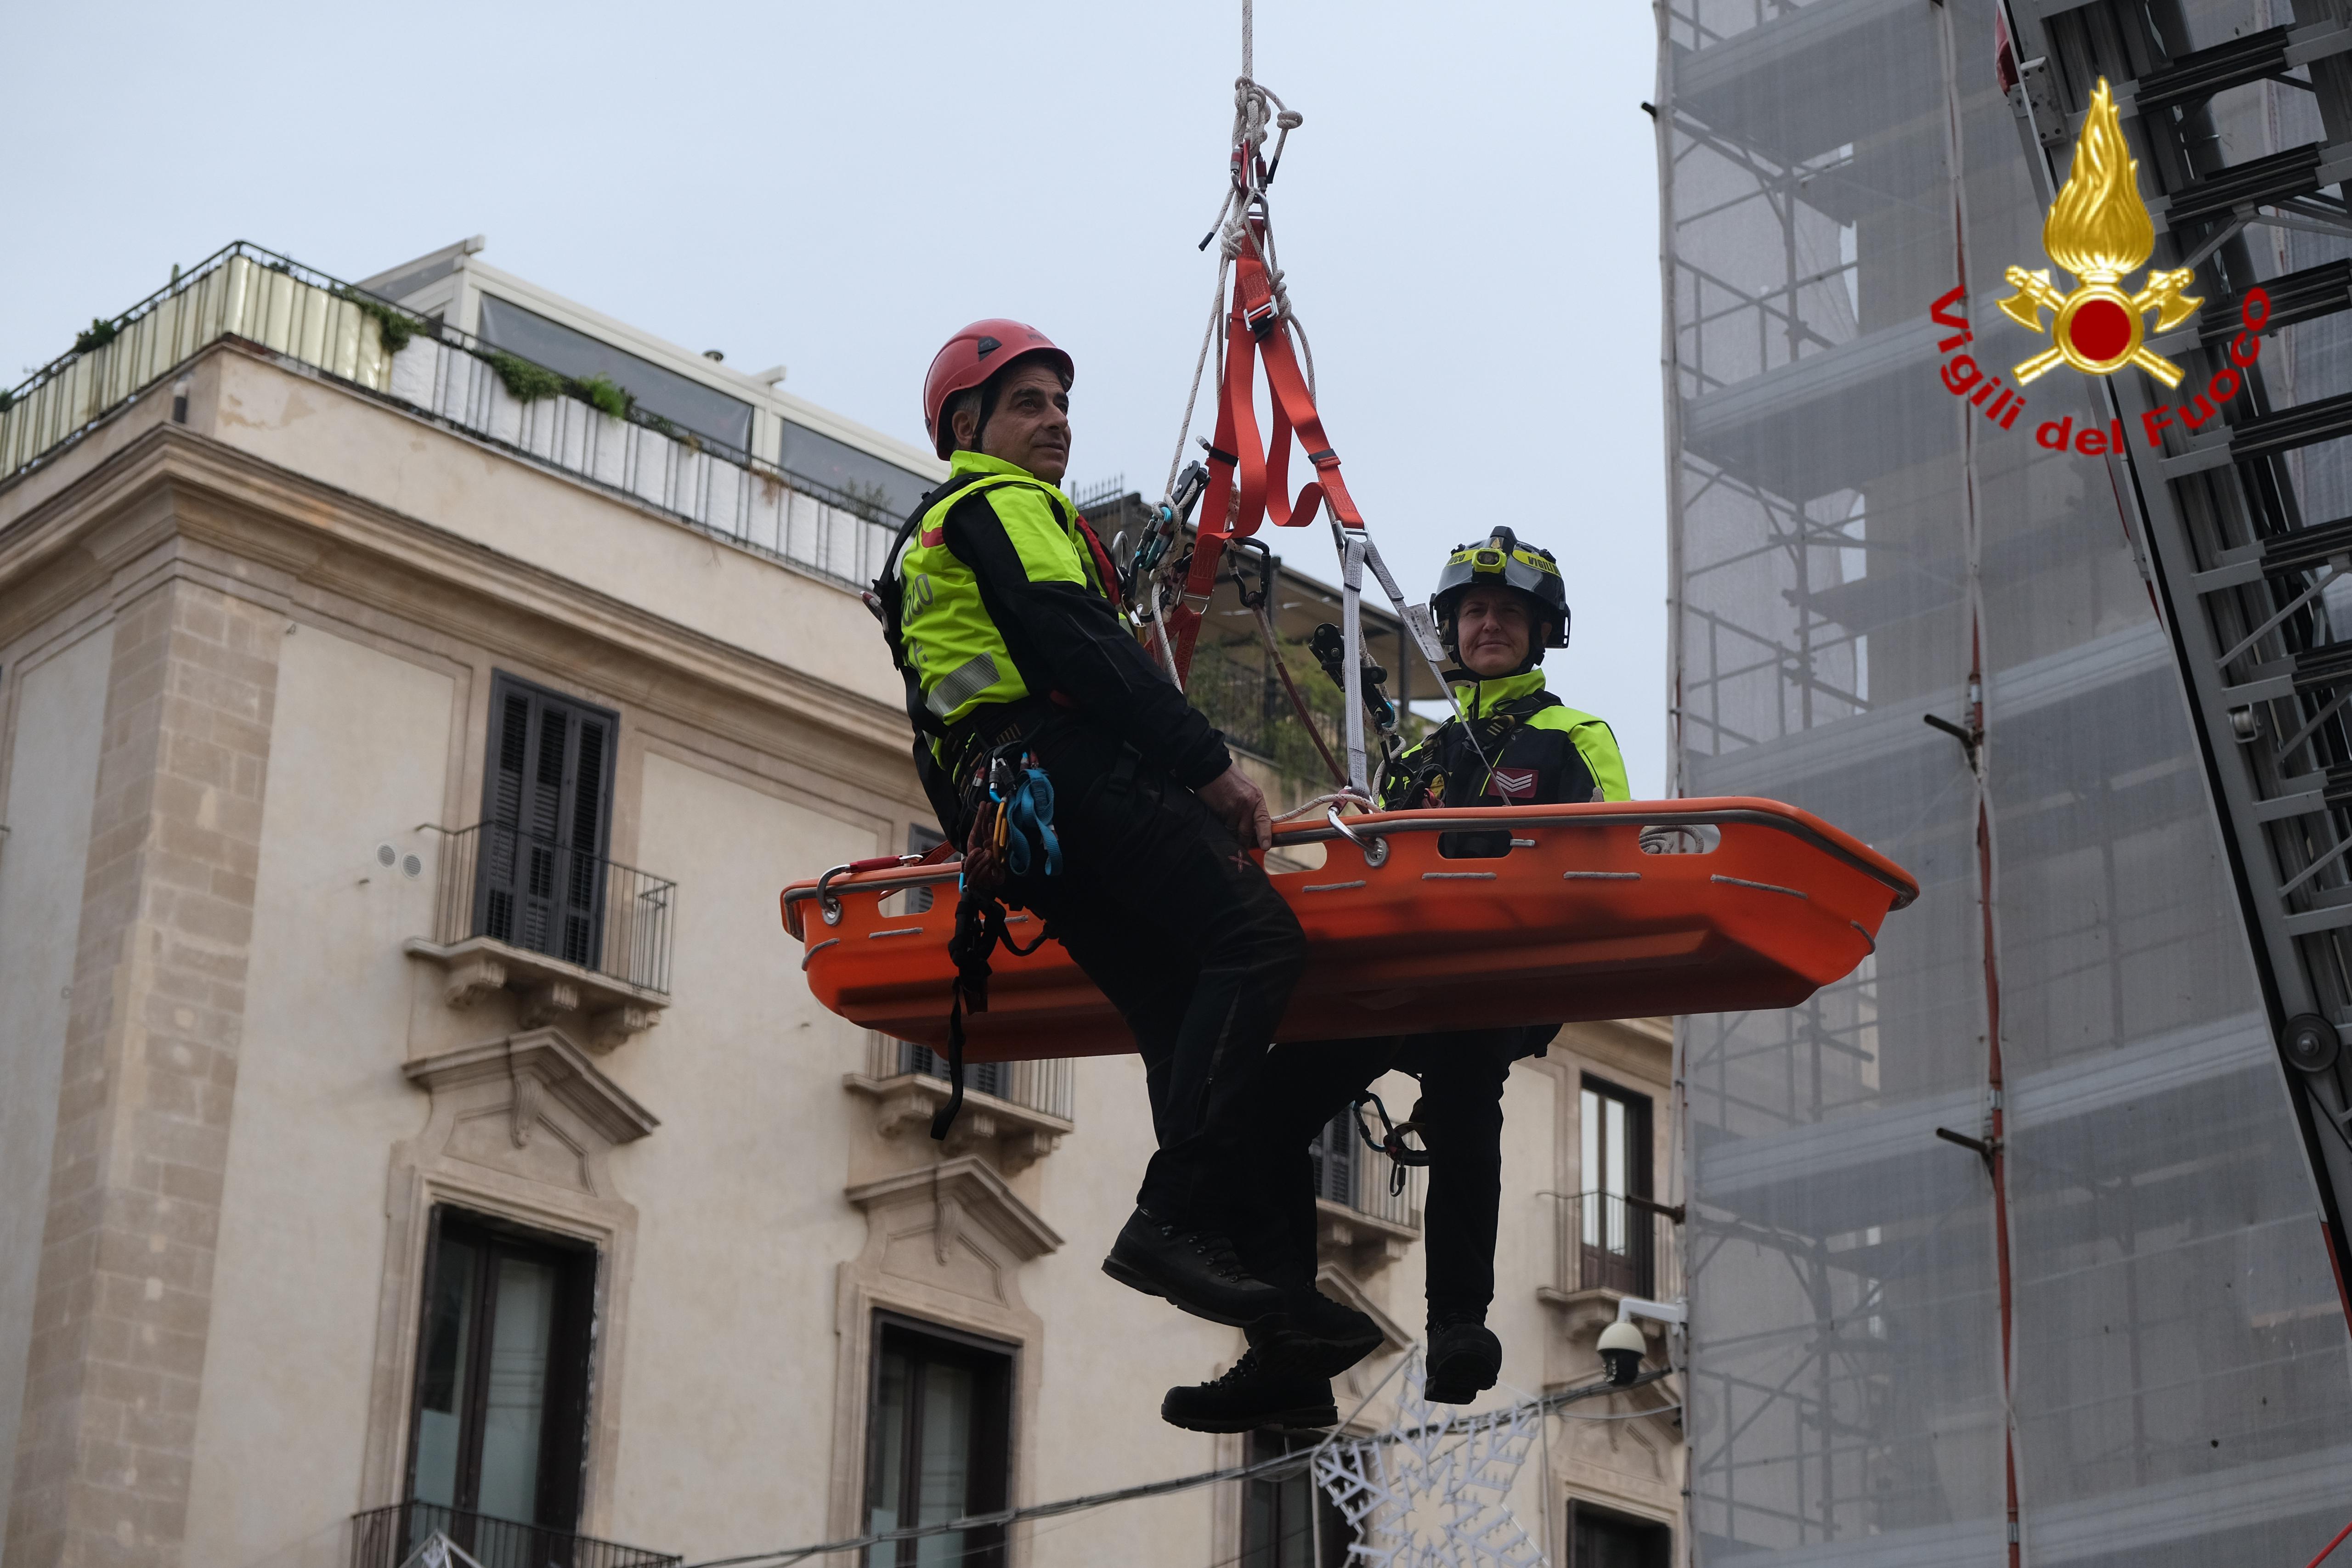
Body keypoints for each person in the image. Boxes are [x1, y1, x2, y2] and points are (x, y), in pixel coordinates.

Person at [878, 320, 1374, 1369]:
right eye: (1029, 404)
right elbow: (1081, 644)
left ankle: (1267, 1310)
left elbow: (935, 720)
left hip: (1019, 810)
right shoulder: (1002, 506)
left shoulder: (929, 541)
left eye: (1061, 404)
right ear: (968, 427)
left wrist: (977, 831)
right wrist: (1207, 765)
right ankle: (1175, 1221)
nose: (1055, 421)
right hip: (1065, 773)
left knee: (1173, 1003)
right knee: (1255, 943)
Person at [1161, 527, 1627, 1431]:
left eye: (1509, 614)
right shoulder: (1420, 756)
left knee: (1464, 1095)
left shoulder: (1572, 737)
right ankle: (1285, 1338)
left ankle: (1457, 1326)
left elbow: (1605, 849)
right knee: (1259, 1109)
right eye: (1474, 612)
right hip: (1393, 969)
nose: (1489, 626)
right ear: (1450, 631)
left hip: (1495, 967)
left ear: (1541, 634)